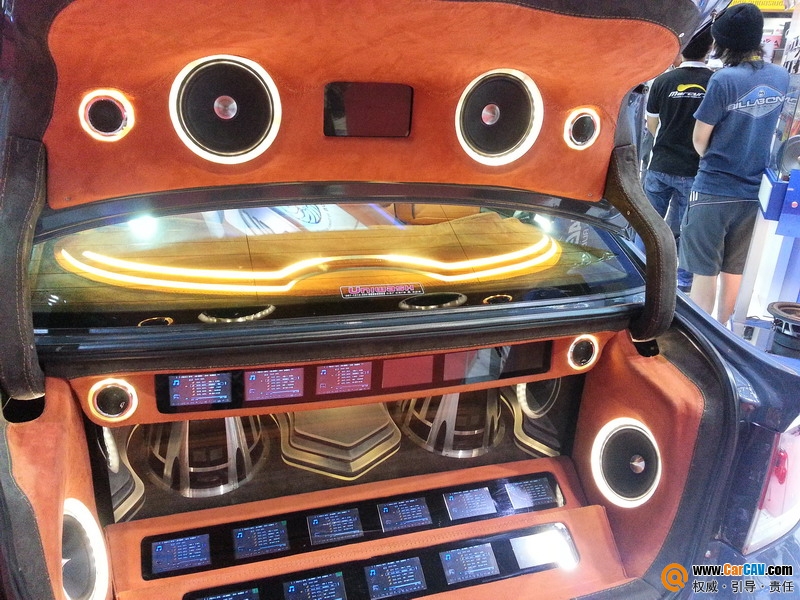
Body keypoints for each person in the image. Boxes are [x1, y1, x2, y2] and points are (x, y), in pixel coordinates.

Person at [680, 3, 789, 325]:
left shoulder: (724, 79)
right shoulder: (781, 76)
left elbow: (699, 139)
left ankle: (703, 336)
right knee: (734, 270)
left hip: (714, 188)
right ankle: (726, 334)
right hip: (755, 190)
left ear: (724, 42)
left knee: (704, 271)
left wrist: (718, 156)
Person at [643, 28, 714, 292]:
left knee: (649, 224)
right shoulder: (715, 82)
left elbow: (652, 124)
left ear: (681, 48)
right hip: (695, 169)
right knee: (687, 229)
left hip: (660, 164)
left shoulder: (662, 81)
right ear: (710, 49)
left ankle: (642, 271)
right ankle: (682, 282)